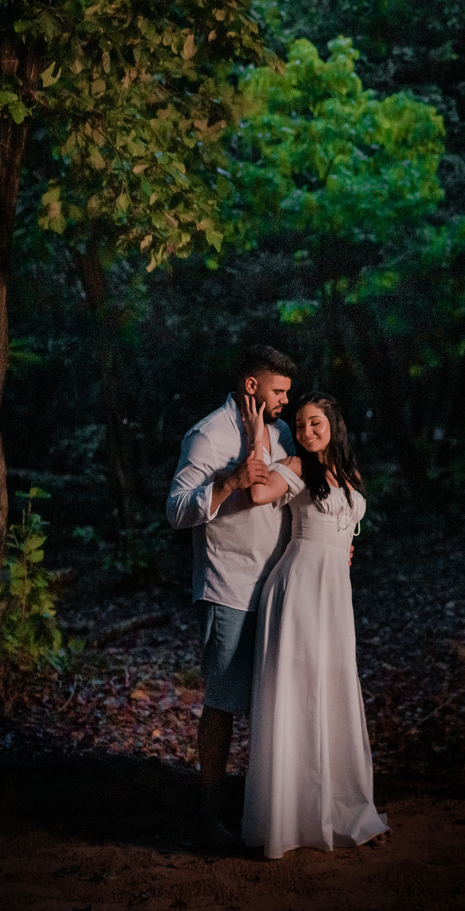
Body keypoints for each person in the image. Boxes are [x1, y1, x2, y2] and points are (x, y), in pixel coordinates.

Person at [239, 390, 389, 859]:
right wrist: (256, 436)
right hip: (299, 588)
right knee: (300, 692)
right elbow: (260, 492)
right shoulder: (298, 467)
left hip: (334, 595)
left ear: (333, 425)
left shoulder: (348, 473)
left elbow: (345, 525)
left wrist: (345, 550)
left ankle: (344, 807)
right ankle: (292, 816)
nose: (305, 432)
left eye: (314, 424)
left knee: (335, 689)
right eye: (300, 424)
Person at [165, 343, 298, 850]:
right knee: (222, 704)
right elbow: (176, 511)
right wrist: (228, 482)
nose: (285, 400)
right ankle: (209, 817)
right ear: (251, 387)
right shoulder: (208, 435)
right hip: (228, 589)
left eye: (287, 392)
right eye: (278, 390)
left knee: (271, 704)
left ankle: (264, 810)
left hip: (279, 587)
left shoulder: (282, 433)